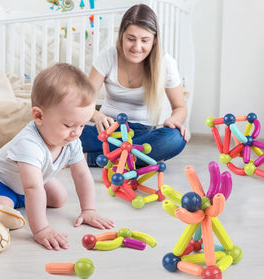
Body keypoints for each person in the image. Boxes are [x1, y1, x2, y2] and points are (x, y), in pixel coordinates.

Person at [0, 63, 114, 250]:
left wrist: (89, 210)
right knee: (2, 208)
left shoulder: (71, 140)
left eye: (82, 125)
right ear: (38, 116)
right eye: (69, 125)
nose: (76, 132)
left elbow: (82, 175)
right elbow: (33, 188)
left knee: (59, 198)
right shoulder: (28, 144)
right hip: (0, 179)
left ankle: (20, 200)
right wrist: (41, 229)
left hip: (32, 179)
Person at [80, 4, 189, 167]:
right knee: (65, 132)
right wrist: (97, 116)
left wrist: (173, 120)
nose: (137, 47)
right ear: (122, 36)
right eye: (131, 39)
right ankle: (139, 158)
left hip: (144, 132)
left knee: (175, 138)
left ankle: (92, 158)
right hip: (108, 130)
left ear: (154, 41)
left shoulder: (166, 63)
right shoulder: (107, 57)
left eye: (144, 40)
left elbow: (180, 107)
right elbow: (83, 102)